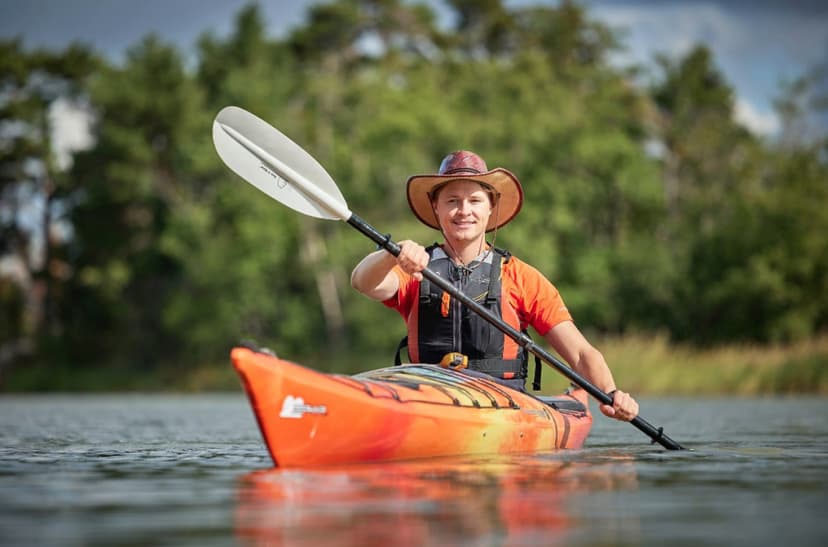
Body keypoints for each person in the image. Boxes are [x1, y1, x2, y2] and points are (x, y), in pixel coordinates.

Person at [350, 151, 639, 422]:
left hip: (502, 406)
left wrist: (610, 392)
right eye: (452, 201)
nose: (464, 211)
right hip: (428, 397)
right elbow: (362, 282)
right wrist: (391, 253)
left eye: (474, 201)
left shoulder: (521, 277)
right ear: (436, 207)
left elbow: (580, 353)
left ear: (490, 207)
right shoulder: (414, 268)